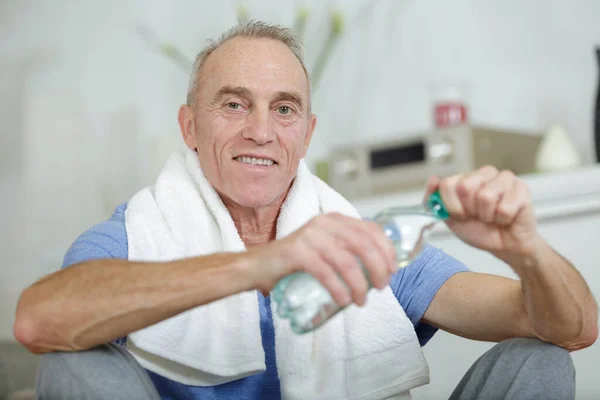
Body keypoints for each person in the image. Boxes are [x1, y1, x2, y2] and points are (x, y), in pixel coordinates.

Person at [14, 21, 597, 400]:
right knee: (70, 369)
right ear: (190, 126)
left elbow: (571, 329)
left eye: (284, 109)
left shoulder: (370, 246)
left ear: (307, 133)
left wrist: (528, 251)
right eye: (234, 104)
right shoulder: (133, 237)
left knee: (536, 362)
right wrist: (259, 267)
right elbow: (39, 323)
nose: (261, 131)